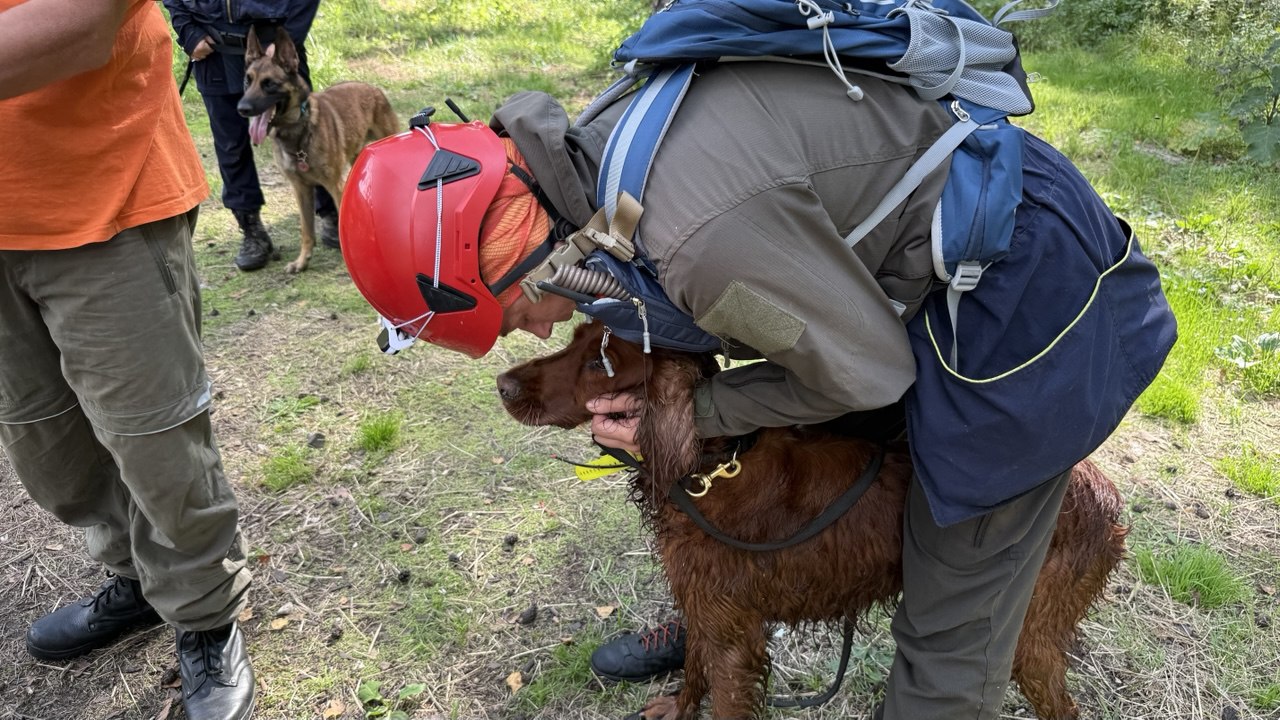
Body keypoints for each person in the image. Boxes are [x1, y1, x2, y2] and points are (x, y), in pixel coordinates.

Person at [338, 52, 1175, 720]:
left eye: (509, 312)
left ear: (513, 238)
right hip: (931, 274)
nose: (529, 332)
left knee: (950, 622)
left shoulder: (697, 237)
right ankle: (720, 615)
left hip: (1032, 306)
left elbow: (865, 372)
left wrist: (699, 412)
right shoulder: (589, 157)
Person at [0, 2, 254, 719]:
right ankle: (138, 580)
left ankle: (205, 616)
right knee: (45, 442)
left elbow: (81, 27)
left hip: (108, 192)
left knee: (156, 442)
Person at [164, 0, 338, 272]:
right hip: (214, 52)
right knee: (230, 146)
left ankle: (331, 214)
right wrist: (188, 31)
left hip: (276, 47)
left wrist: (289, 37)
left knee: (310, 137)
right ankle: (251, 229)